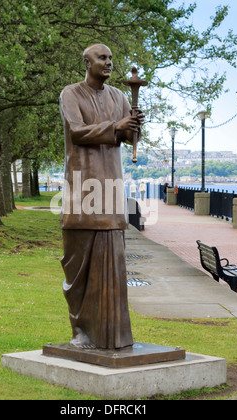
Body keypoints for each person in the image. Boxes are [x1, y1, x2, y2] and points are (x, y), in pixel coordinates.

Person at [59, 43, 145, 350]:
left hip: (110, 189)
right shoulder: (71, 94)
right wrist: (116, 126)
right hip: (82, 189)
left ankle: (113, 335)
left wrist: (134, 126)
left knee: (113, 264)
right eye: (102, 58)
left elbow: (127, 137)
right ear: (87, 62)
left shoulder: (119, 97)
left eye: (110, 58)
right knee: (78, 267)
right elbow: (77, 132)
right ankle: (80, 331)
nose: (108, 63)